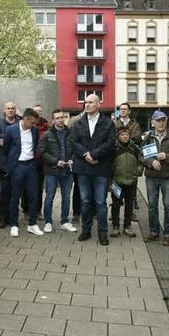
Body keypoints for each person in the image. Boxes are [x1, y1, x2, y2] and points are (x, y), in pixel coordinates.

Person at [69, 94, 115, 246]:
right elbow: (73, 141)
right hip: (83, 168)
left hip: (100, 168)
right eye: (85, 102)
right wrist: (85, 154)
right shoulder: (78, 123)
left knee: (101, 202)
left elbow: (110, 143)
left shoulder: (108, 123)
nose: (87, 105)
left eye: (90, 102)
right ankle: (86, 230)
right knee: (85, 201)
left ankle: (102, 232)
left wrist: (94, 154)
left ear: (98, 105)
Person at [142, 110, 169, 246]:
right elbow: (141, 156)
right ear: (152, 123)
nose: (161, 123)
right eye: (158, 120)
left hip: (168, 177)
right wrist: (151, 162)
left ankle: (168, 234)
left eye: (163, 120)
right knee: (152, 206)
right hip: (151, 177)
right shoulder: (148, 137)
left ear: (166, 121)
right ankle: (154, 232)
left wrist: (167, 156)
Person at [4, 108, 43, 237]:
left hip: (31, 165)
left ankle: (32, 224)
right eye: (32, 122)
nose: (34, 125)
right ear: (25, 119)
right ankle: (14, 225)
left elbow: (35, 145)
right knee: (15, 196)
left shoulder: (35, 131)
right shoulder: (11, 130)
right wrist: (10, 165)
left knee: (34, 195)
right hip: (17, 166)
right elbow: (6, 148)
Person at [39, 109, 76, 233]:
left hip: (67, 171)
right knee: (49, 197)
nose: (60, 120)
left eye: (62, 117)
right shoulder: (47, 135)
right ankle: (48, 222)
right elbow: (42, 152)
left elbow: (76, 149)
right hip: (52, 171)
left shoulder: (71, 133)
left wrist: (71, 159)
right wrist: (55, 161)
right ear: (53, 120)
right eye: (58, 118)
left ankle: (64, 221)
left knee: (66, 198)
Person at [110, 126, 142, 238]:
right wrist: (110, 181)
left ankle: (127, 226)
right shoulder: (113, 148)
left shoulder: (134, 147)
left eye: (127, 134)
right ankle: (115, 226)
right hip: (117, 182)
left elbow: (141, 159)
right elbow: (108, 164)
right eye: (122, 134)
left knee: (129, 205)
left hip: (132, 181)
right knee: (115, 205)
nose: (125, 136)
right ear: (118, 135)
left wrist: (138, 171)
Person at [114, 102, 143, 221]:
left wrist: (123, 136)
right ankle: (115, 216)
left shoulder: (135, 125)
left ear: (129, 111)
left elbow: (137, 138)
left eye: (125, 109)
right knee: (116, 194)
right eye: (121, 109)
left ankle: (130, 214)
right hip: (119, 159)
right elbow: (112, 137)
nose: (123, 111)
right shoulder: (115, 123)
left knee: (131, 192)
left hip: (132, 157)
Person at [0, 101, 22, 229]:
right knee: (4, 192)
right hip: (2, 163)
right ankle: (2, 217)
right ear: (4, 110)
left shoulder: (20, 122)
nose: (10, 110)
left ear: (15, 110)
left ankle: (13, 218)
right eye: (8, 108)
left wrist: (6, 139)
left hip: (17, 163)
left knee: (15, 193)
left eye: (13, 108)